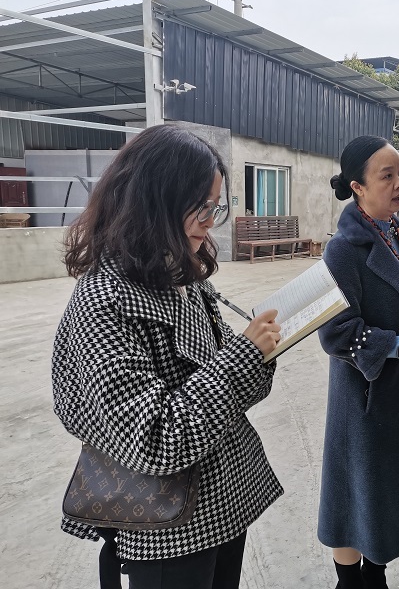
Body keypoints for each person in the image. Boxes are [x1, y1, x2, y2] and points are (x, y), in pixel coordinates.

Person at [52, 125, 283, 589]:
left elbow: (238, 385)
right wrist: (244, 356)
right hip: (164, 526)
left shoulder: (179, 274)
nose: (210, 221)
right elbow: (154, 440)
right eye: (201, 207)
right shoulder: (103, 302)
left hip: (221, 504)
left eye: (216, 207)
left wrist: (255, 354)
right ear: (153, 201)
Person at [318, 136, 399, 589]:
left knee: (388, 495)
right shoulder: (342, 250)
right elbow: (335, 333)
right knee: (356, 496)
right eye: (387, 176)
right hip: (365, 398)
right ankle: (350, 581)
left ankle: (376, 573)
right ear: (357, 186)